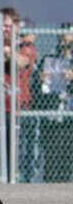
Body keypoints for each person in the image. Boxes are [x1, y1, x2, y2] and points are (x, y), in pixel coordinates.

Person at [0, 7, 36, 182]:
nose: (4, 30)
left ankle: (22, 186)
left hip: (18, 109)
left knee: (19, 154)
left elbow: (22, 61)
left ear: (16, 27)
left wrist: (9, 49)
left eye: (8, 26)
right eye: (1, 26)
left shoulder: (25, 45)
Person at [36, 26, 73, 182]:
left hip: (69, 114)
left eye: (69, 42)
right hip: (52, 113)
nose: (66, 45)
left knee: (67, 152)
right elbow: (38, 88)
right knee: (52, 152)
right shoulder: (49, 59)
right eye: (63, 41)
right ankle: (51, 183)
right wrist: (40, 80)